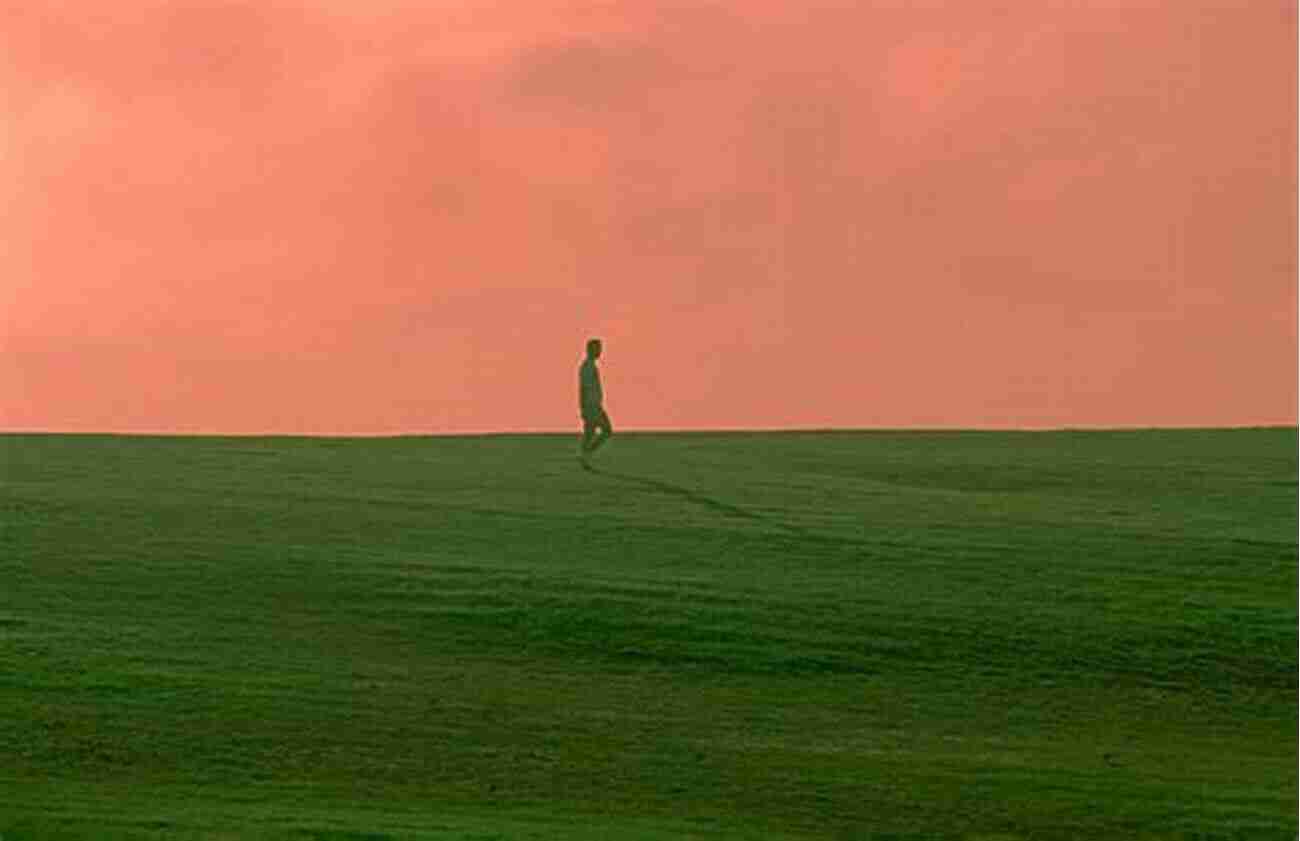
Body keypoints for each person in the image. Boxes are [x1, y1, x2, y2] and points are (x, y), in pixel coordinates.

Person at [578, 338, 612, 466]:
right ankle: (586, 454)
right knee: (605, 430)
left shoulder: (590, 366)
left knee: (590, 431)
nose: (600, 352)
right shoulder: (587, 367)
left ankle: (585, 455)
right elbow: (583, 388)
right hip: (591, 405)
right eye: (598, 349)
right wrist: (584, 408)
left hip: (594, 404)